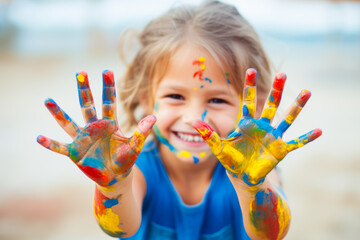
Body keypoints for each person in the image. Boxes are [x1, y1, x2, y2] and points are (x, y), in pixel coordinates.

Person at [37, 1, 322, 239]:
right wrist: (114, 186)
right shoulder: (138, 169)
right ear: (148, 99)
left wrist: (252, 189)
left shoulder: (255, 171)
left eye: (217, 100)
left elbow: (272, 234)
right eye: (175, 96)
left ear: (251, 106)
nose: (194, 118)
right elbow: (119, 227)